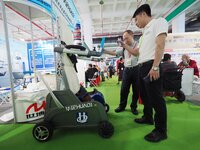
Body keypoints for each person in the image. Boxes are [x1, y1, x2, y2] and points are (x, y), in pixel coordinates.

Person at [132, 4, 168, 142]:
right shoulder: (142, 35)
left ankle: (161, 131)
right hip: (142, 66)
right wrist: (124, 46)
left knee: (157, 99)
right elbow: (136, 52)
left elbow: (160, 44)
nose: (136, 23)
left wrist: (155, 67)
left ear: (142, 14)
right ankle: (148, 117)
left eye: (136, 20)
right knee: (145, 97)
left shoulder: (159, 22)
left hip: (152, 65)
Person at [104, 30, 139, 115]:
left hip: (137, 69)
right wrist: (104, 51)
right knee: (124, 89)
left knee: (136, 90)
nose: (125, 40)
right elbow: (114, 53)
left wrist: (125, 45)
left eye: (127, 38)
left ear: (132, 36)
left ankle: (133, 107)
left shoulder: (138, 44)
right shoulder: (124, 47)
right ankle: (122, 106)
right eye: (124, 38)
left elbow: (136, 53)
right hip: (127, 69)